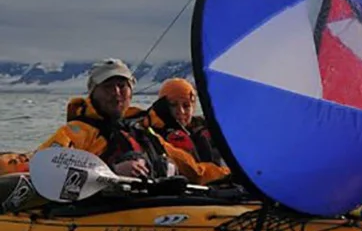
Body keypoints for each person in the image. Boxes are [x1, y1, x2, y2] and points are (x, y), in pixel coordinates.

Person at [35, 59, 229, 185]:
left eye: (122, 86)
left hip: (153, 209)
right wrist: (110, 172)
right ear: (93, 92)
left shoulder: (142, 130)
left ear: (131, 91)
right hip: (100, 211)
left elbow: (195, 171)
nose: (117, 93)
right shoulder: (76, 133)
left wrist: (230, 175)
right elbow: (44, 168)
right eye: (108, 87)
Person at [145, 78, 224, 166]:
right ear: (163, 106)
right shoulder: (151, 136)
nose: (181, 111)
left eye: (186, 106)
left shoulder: (208, 130)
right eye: (173, 105)